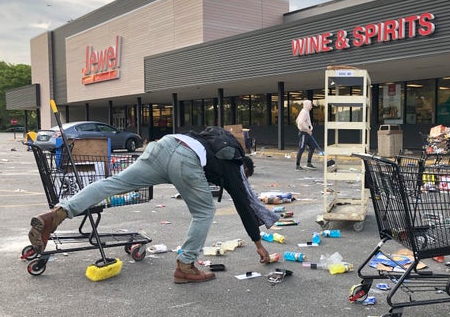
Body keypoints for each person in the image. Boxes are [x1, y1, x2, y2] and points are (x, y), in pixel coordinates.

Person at [28, 127, 279, 284]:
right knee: (204, 211)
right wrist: (259, 245)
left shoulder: (218, 142)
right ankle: (186, 266)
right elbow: (243, 205)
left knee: (114, 183)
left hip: (164, 145)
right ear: (245, 168)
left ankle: (58, 213)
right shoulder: (236, 167)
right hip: (184, 158)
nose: (242, 181)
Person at [295, 99, 318, 171]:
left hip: (306, 133)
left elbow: (297, 120)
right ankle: (297, 165)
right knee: (301, 148)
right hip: (304, 133)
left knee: (312, 146)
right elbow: (300, 122)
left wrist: (309, 127)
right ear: (307, 105)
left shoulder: (306, 112)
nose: (311, 106)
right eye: (310, 105)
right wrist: (307, 129)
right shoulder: (304, 112)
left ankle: (309, 163)